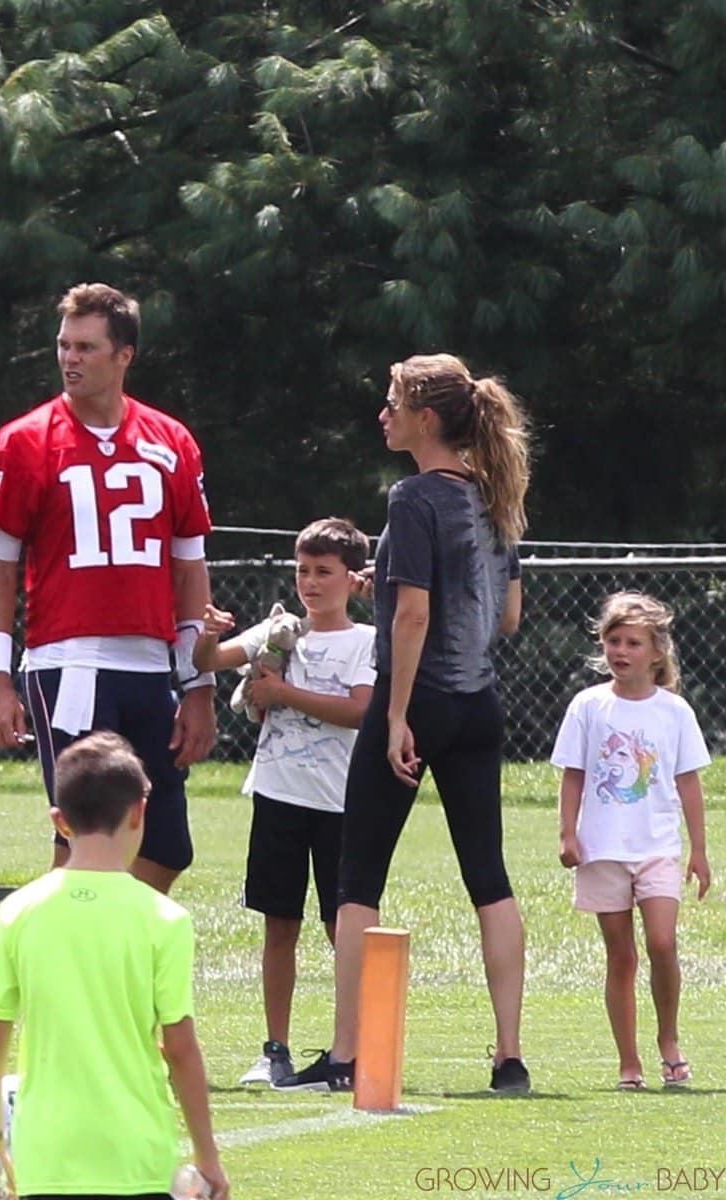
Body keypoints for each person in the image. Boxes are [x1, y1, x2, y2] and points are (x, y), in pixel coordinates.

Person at [276, 353, 530, 1094]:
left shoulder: (412, 496)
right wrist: (382, 585)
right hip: (479, 706)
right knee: (489, 877)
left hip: (417, 701)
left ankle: (348, 1052)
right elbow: (505, 616)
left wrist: (393, 716)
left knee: (359, 877)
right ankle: (509, 1056)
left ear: (425, 417)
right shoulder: (494, 494)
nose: (381, 415)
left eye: (391, 404)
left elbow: (416, 613)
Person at [0, 282, 216, 894]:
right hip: (69, 664)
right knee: (86, 838)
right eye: (63, 345)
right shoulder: (25, 440)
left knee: (165, 845)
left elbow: (189, 571)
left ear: (124, 355)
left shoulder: (171, 441)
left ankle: (113, 954)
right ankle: (54, 968)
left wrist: (200, 685)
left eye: (86, 346)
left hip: (149, 667)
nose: (69, 358)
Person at [0, 730, 229, 1200]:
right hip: (138, 1156)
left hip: (46, 1158)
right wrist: (207, 1157)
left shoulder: (19, 911)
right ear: (139, 812)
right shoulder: (165, 918)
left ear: (59, 821)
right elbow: (181, 1050)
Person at [194, 517, 376, 1086]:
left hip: (339, 803)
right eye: (303, 571)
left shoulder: (365, 642)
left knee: (341, 926)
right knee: (280, 924)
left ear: (352, 579)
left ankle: (358, 1045)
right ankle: (276, 1047)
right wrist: (207, 632)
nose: (311, 583)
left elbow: (359, 711)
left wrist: (282, 693)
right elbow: (208, 661)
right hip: (278, 796)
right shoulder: (277, 630)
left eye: (324, 572)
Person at [551, 591, 710, 1091]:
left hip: (658, 847)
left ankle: (669, 1041)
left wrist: (700, 851)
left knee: (662, 942)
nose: (621, 652)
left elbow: (688, 783)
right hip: (602, 850)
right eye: (613, 641)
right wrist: (567, 833)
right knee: (620, 956)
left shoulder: (675, 712)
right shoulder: (588, 706)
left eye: (633, 643)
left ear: (656, 651)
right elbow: (573, 774)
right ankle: (629, 1064)